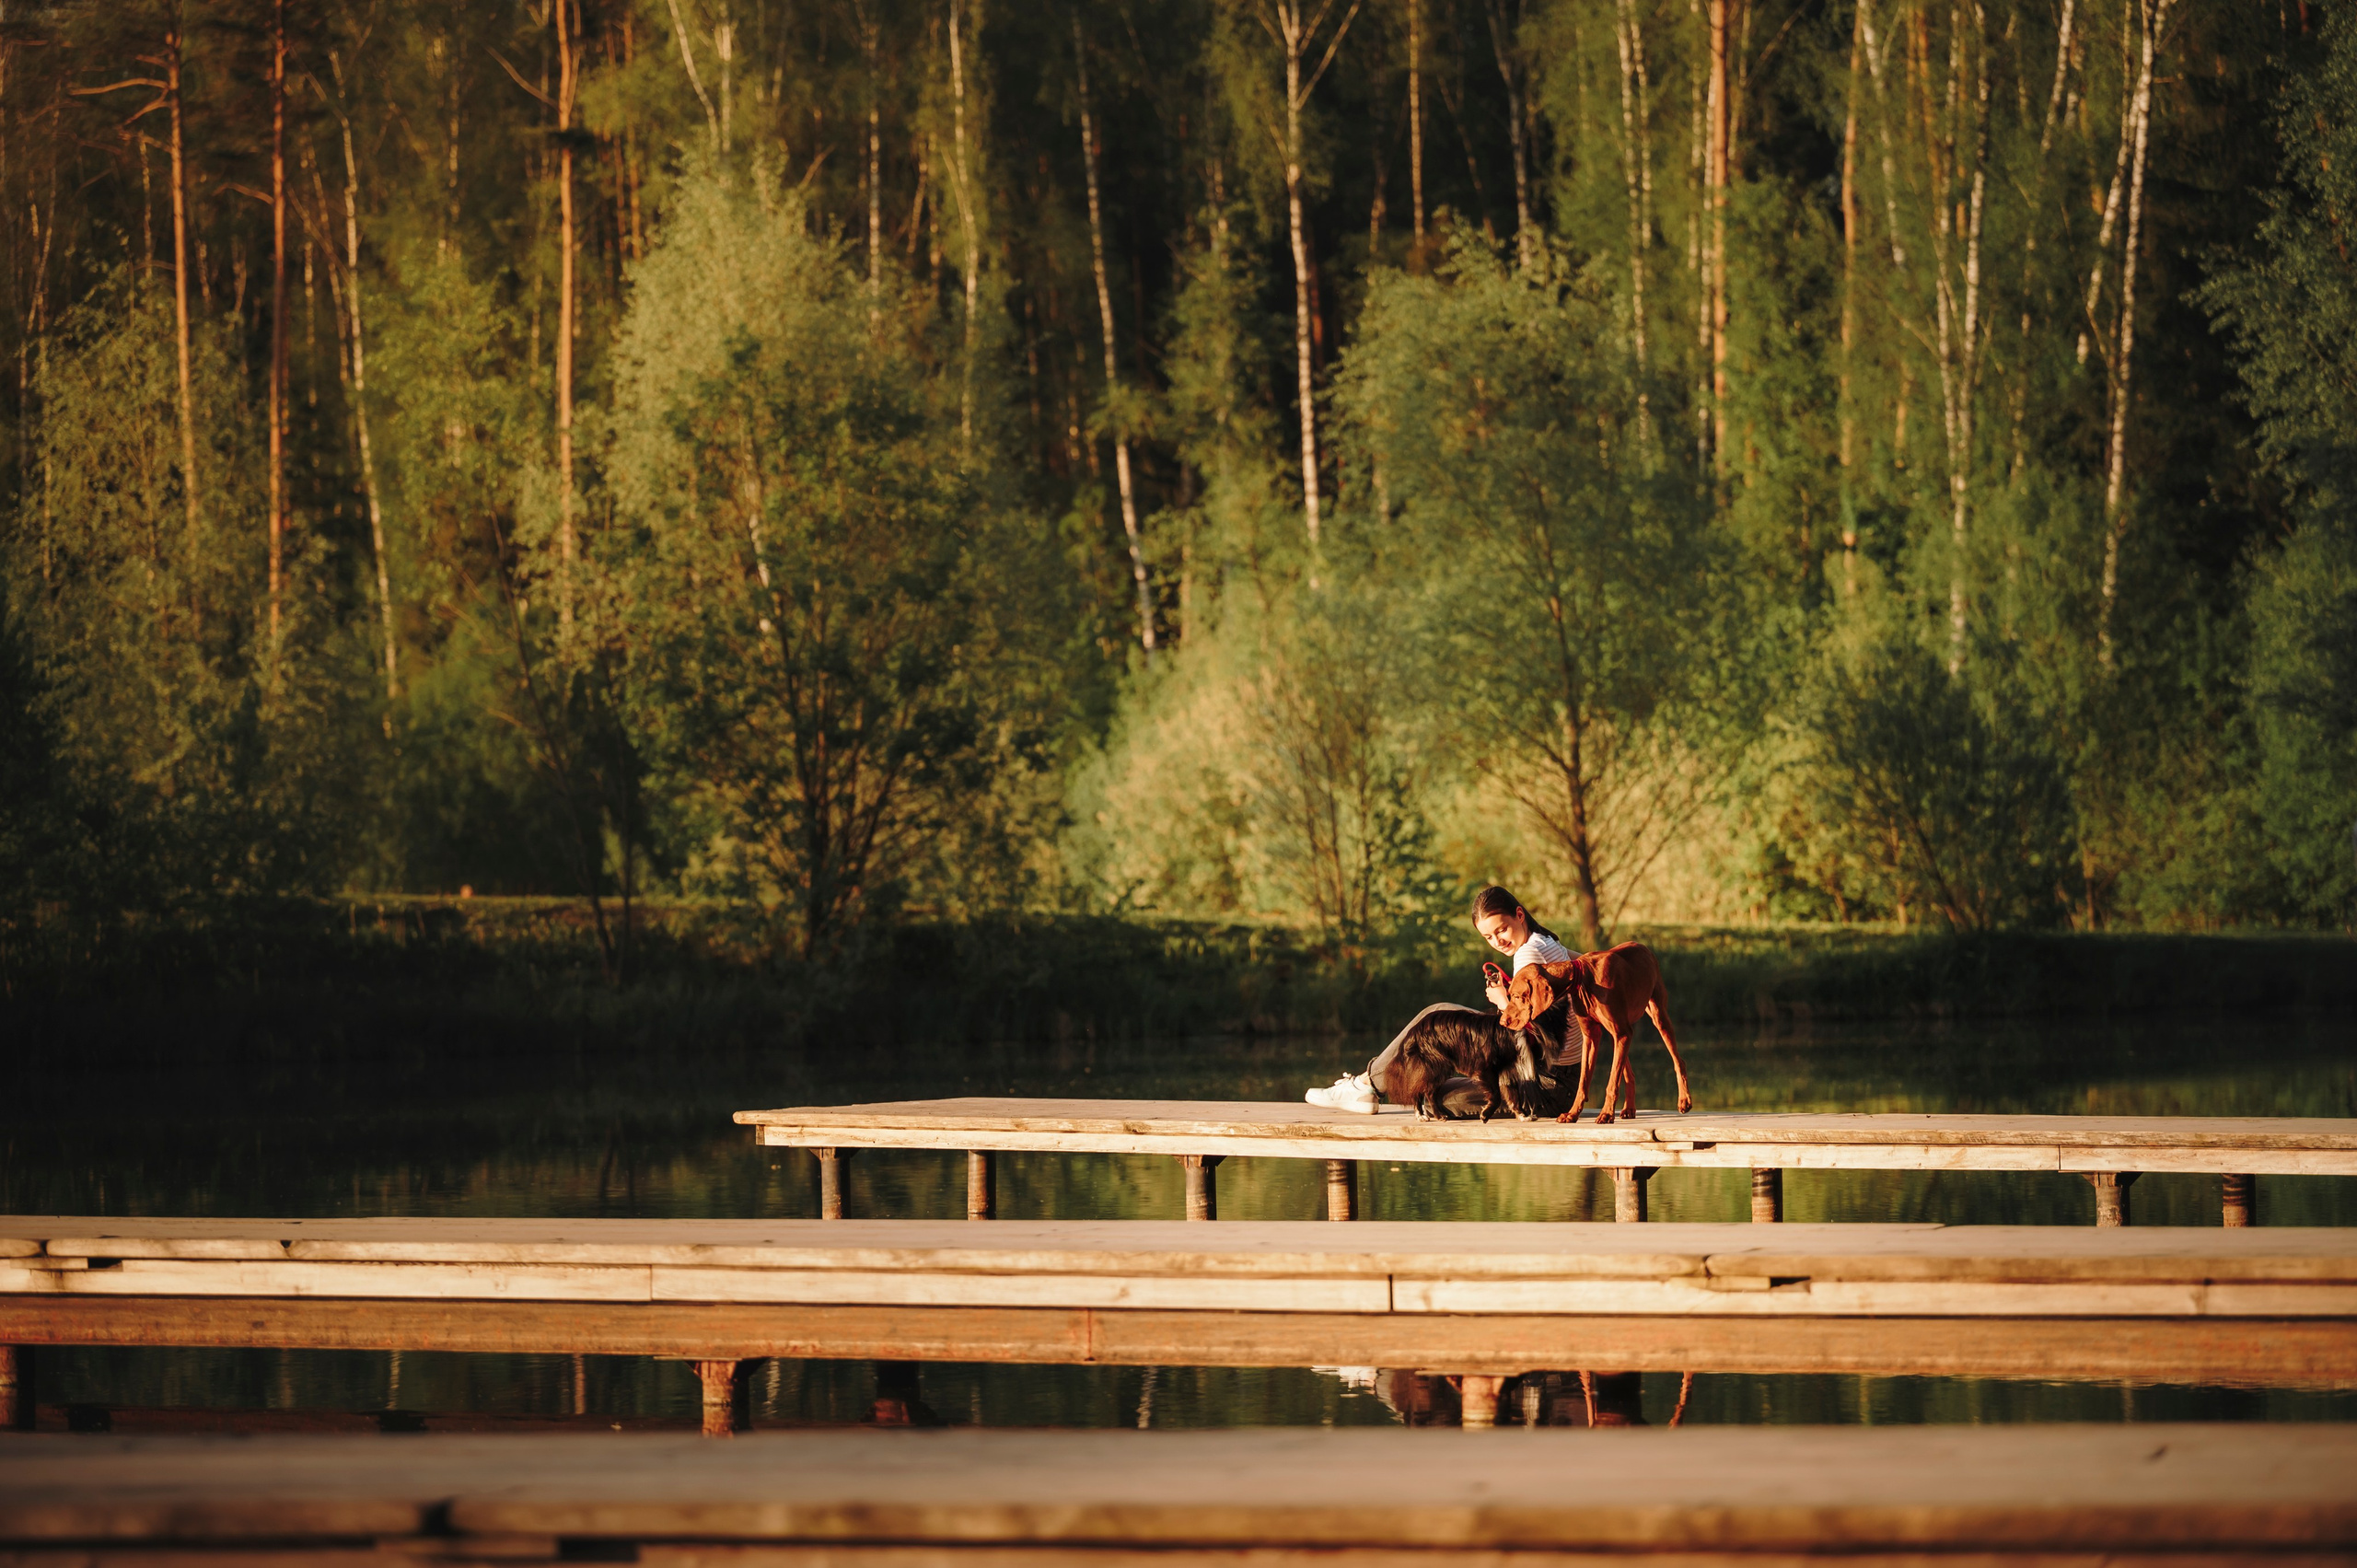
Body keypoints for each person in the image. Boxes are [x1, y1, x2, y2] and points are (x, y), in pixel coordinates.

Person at [1305, 886, 1574, 1113]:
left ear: (1519, 915)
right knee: (1438, 1016)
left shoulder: (1527, 956)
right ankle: (1367, 1086)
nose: (1497, 942)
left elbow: (1545, 1037)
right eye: (1488, 937)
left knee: (1433, 1099)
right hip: (1545, 1076)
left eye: (1502, 930)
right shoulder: (1548, 942)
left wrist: (1504, 1002)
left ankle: (1365, 1087)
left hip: (1545, 1086)